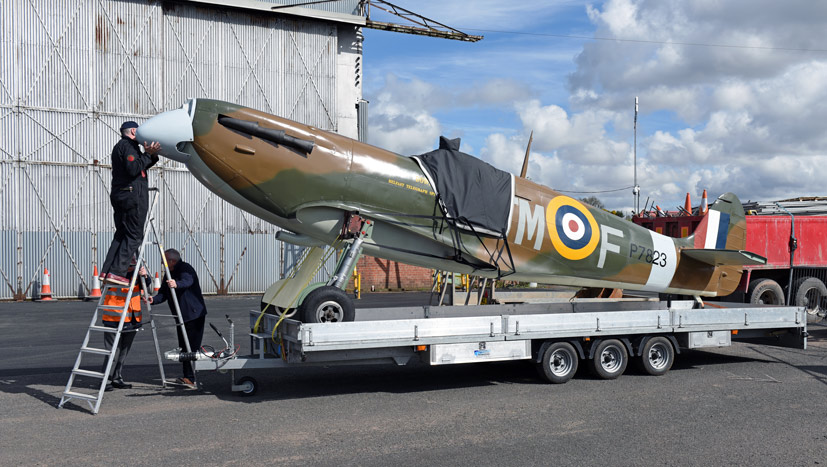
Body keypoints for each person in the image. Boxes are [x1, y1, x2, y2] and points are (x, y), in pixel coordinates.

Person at [100, 121, 161, 286]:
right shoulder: (128, 146)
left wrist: (151, 155)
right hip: (132, 196)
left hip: (121, 194)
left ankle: (107, 271)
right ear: (134, 131)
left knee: (122, 234)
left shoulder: (123, 146)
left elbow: (139, 166)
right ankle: (117, 272)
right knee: (134, 235)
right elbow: (134, 169)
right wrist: (147, 154)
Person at [149, 249, 207, 388]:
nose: (162, 262)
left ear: (172, 261)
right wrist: (153, 300)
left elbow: (188, 281)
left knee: (190, 347)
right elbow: (163, 293)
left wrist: (177, 284)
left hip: (193, 315)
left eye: (164, 260)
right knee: (184, 346)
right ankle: (188, 376)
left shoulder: (185, 268)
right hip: (181, 317)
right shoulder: (169, 273)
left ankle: (190, 377)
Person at [100, 260, 149, 391]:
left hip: (132, 318)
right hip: (114, 318)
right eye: (130, 266)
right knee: (112, 351)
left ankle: (117, 378)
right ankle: (105, 379)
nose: (131, 268)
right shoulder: (114, 273)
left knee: (124, 351)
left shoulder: (137, 275)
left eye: (133, 266)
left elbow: (146, 285)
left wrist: (145, 276)